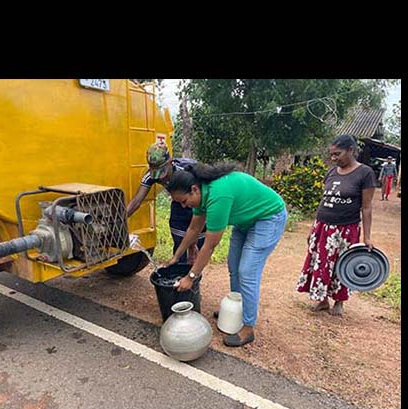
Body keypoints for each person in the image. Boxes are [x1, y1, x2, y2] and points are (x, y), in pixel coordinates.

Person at [165, 162, 287, 347]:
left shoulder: (218, 195)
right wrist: (177, 256)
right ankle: (235, 311)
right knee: (233, 266)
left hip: (269, 218)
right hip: (246, 219)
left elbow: (210, 245)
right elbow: (193, 228)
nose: (184, 206)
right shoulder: (202, 195)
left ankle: (248, 328)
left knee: (247, 271)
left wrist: (190, 276)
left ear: (194, 189)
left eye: (183, 201)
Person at [297, 134, 377, 317]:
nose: (333, 158)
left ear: (351, 150)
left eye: (337, 154)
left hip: (346, 229)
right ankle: (322, 300)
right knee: (320, 262)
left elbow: (366, 207)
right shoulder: (332, 172)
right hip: (323, 226)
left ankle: (339, 302)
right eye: (332, 154)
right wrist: (313, 226)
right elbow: (323, 200)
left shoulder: (365, 173)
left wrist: (367, 237)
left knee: (342, 264)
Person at [126, 141, 206, 263]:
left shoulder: (188, 170)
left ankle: (193, 279)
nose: (161, 178)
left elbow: (203, 196)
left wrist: (193, 241)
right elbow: (137, 201)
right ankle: (178, 275)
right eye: (156, 173)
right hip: (178, 207)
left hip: (199, 206)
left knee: (196, 250)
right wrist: (120, 219)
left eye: (163, 171)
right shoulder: (151, 176)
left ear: (170, 161)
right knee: (180, 246)